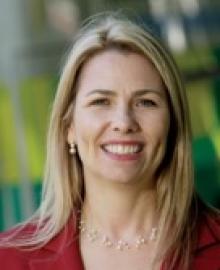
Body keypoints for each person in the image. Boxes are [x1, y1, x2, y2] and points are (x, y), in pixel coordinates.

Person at [0, 13, 219, 270]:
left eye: (145, 102)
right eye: (101, 101)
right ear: (68, 126)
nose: (124, 122)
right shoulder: (9, 258)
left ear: (173, 122)